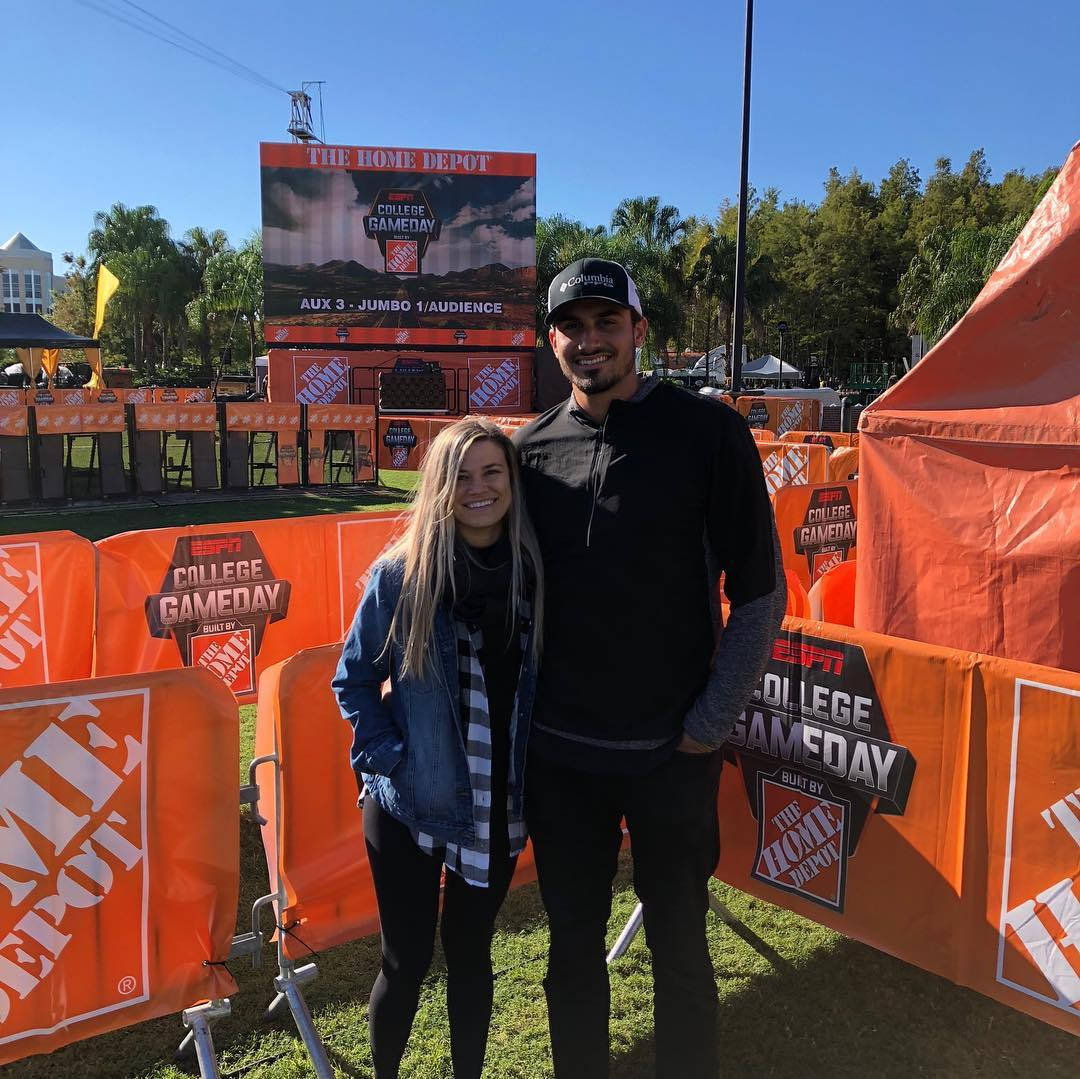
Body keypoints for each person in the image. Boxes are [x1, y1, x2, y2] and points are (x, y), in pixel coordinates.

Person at [513, 258, 786, 1079]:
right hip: (562, 758)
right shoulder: (529, 451)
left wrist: (707, 725)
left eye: (606, 322)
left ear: (639, 330)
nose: (588, 340)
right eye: (572, 326)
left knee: (679, 945)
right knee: (571, 949)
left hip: (672, 751)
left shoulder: (709, 434)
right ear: (551, 340)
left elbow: (762, 592)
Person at [332, 417, 544, 1079]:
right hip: (408, 807)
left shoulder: (535, 576)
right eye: (462, 475)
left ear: (511, 481)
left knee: (472, 954)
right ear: (439, 486)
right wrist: (392, 760)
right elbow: (354, 680)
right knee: (406, 958)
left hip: (497, 808)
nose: (478, 488)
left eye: (492, 472)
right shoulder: (400, 575)